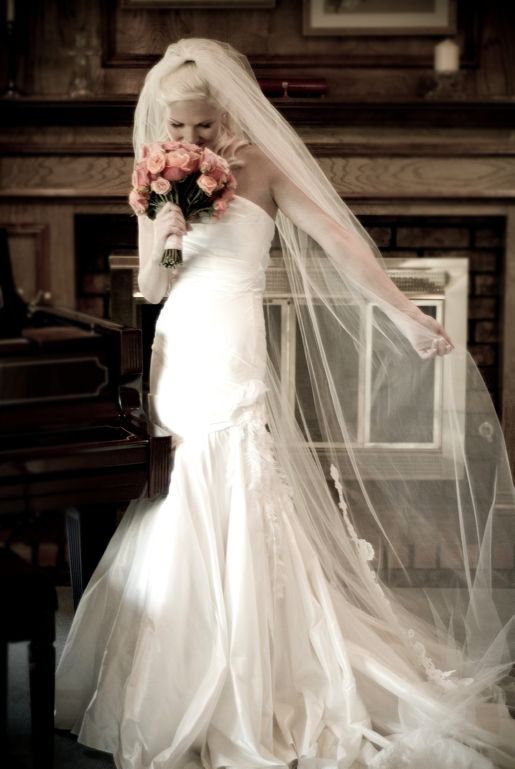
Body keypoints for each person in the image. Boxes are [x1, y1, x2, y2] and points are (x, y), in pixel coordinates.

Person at [55, 38, 515, 769]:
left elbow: (338, 241)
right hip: (180, 345)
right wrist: (162, 242)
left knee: (237, 467)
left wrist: (401, 312)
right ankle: (176, 667)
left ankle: (258, 669)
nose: (189, 141)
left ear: (226, 110)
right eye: (178, 127)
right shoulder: (153, 173)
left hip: (232, 342)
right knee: (177, 486)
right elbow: (150, 288)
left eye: (203, 126)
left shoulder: (262, 165)